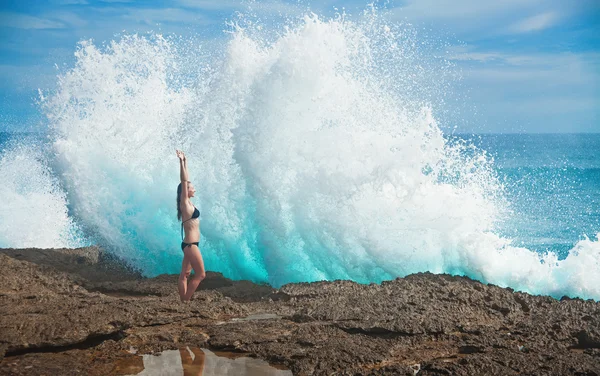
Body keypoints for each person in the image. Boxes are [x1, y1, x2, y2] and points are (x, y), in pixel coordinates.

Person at [176, 149, 206, 302]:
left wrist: (186, 161)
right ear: (186, 192)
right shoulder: (185, 203)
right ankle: (186, 301)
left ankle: (183, 301)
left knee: (185, 275)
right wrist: (181, 162)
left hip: (189, 244)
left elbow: (186, 182)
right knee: (201, 274)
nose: (194, 188)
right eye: (192, 187)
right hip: (190, 245)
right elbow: (183, 181)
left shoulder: (189, 204)